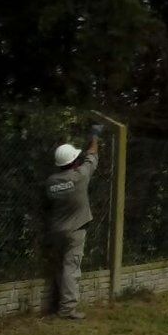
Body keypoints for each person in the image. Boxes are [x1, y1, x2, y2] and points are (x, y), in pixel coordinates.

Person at [44, 125, 102, 320]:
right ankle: (68, 309)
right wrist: (94, 136)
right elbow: (92, 156)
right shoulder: (80, 176)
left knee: (61, 267)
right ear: (74, 161)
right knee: (71, 268)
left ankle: (58, 302)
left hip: (56, 230)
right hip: (75, 230)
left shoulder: (51, 182)